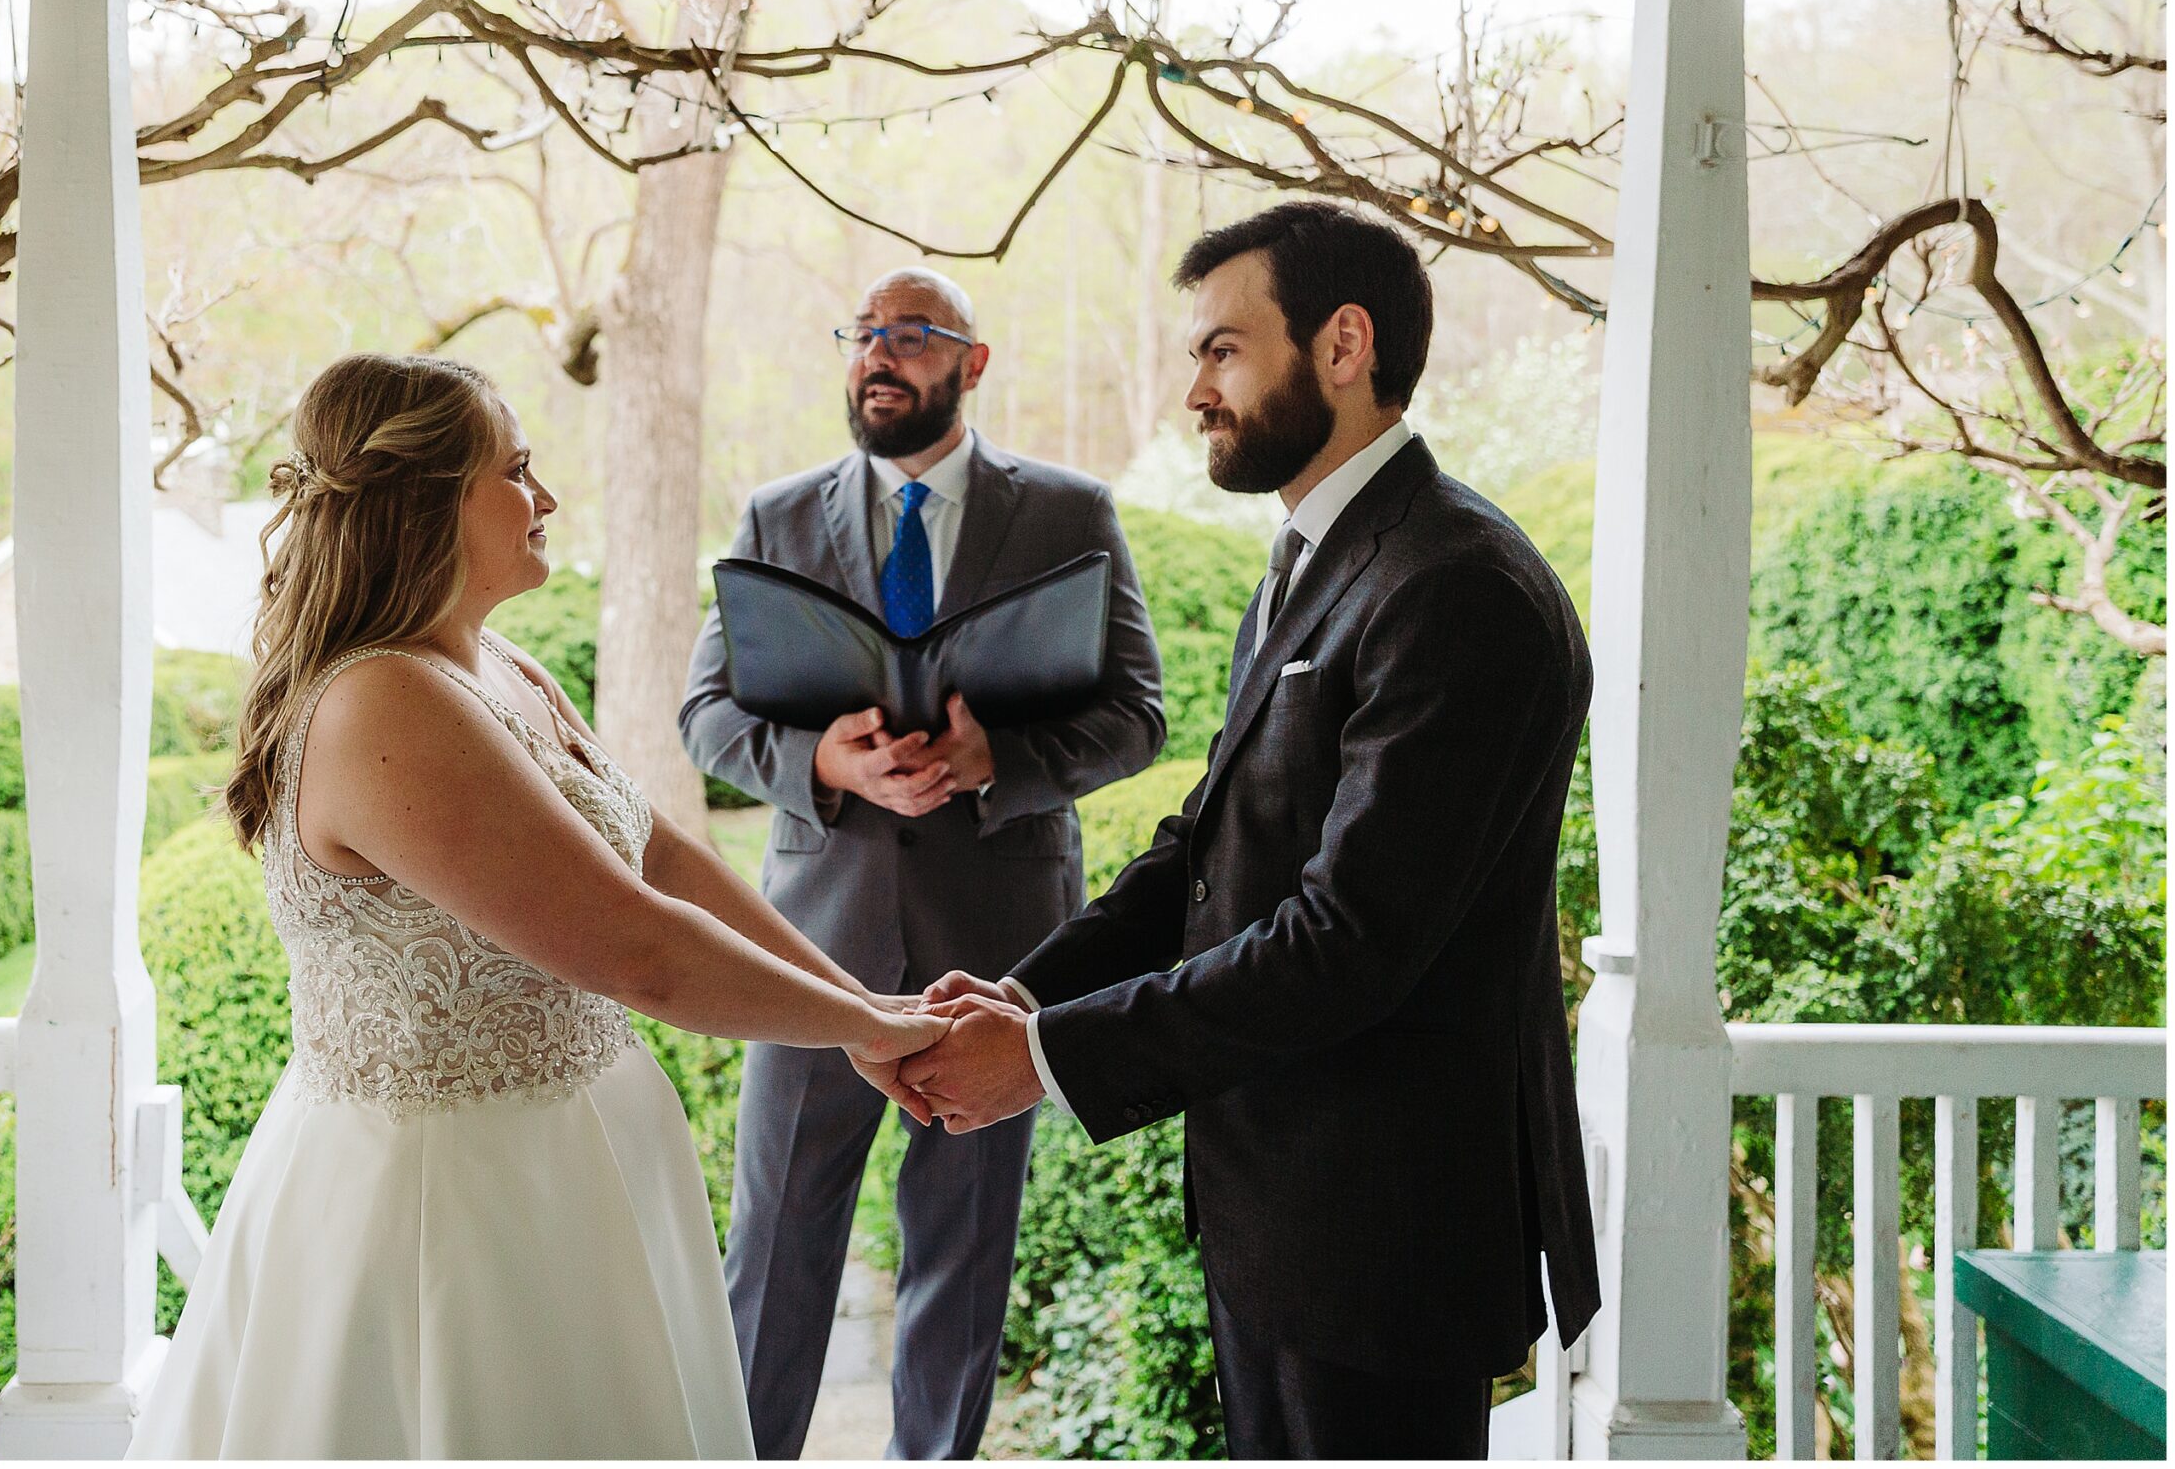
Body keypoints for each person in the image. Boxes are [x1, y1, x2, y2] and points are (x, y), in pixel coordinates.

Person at [130, 353, 952, 1460]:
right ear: (422, 502)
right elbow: (637, 948)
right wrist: (868, 1031)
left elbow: (657, 853)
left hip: (582, 1159)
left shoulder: (496, 664)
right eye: (516, 470)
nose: (547, 498)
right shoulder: (385, 698)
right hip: (450, 1209)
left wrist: (861, 1001)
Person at [890, 203, 1600, 1463]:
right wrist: (1016, 994)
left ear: (1342, 345)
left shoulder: (1456, 587)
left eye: (1221, 350)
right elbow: (1207, 844)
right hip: (1281, 1209)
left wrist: (1046, 1057)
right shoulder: (1314, 559)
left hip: (1382, 1234)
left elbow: (1349, 938)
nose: (1195, 393)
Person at [677, 270, 1166, 1461]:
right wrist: (827, 765)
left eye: (908, 335)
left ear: (973, 361)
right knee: (776, 1239)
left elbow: (1139, 715)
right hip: (810, 947)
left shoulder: (1068, 511)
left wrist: (1004, 755)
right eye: (861, 335)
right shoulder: (776, 516)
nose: (876, 357)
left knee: (963, 1245)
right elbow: (704, 712)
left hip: (997, 950)